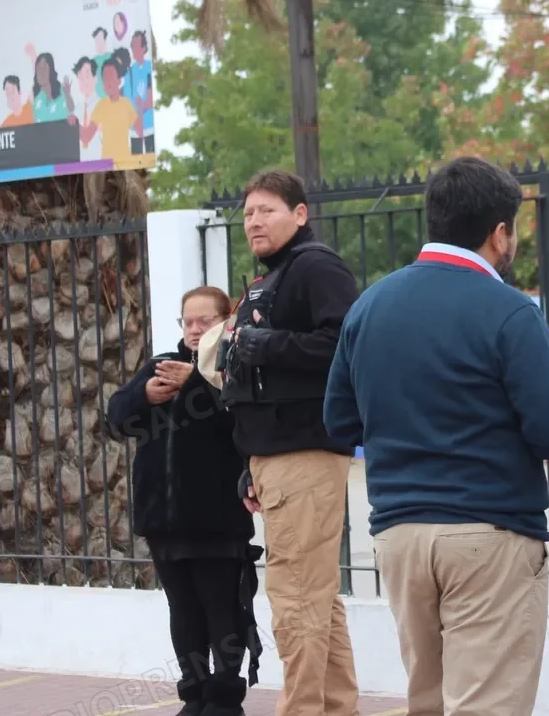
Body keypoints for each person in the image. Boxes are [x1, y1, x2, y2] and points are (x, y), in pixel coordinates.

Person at [323, 156, 549, 716]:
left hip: (399, 534)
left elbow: (340, 423)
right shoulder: (509, 310)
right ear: (499, 233)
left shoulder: (370, 305)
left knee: (428, 700)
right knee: (487, 704)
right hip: (488, 531)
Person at [219, 169, 361, 716]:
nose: (254, 221)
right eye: (248, 213)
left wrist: (268, 345)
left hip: (304, 454)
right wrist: (250, 461)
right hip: (277, 457)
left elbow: (344, 343)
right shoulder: (274, 277)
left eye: (267, 210)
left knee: (296, 599)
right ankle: (336, 708)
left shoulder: (315, 267)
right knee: (317, 599)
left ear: (300, 214)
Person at [107, 286, 263, 716]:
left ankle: (224, 699)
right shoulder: (161, 365)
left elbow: (240, 423)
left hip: (217, 519)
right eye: (188, 321)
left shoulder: (236, 365)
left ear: (225, 322)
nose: (194, 330)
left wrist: (195, 382)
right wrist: (144, 395)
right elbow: (116, 417)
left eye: (204, 321)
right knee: (184, 611)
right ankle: (194, 695)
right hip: (163, 519)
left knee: (222, 609)